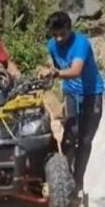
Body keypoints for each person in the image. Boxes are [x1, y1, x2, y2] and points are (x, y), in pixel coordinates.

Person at [40, 11, 104, 192]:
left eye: (62, 34)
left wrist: (55, 73)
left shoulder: (81, 43)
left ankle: (81, 181)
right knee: (69, 138)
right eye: (55, 35)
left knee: (85, 140)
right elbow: (56, 67)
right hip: (71, 94)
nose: (59, 39)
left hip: (92, 94)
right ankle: (66, 180)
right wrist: (48, 75)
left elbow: (75, 70)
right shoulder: (52, 45)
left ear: (70, 29)